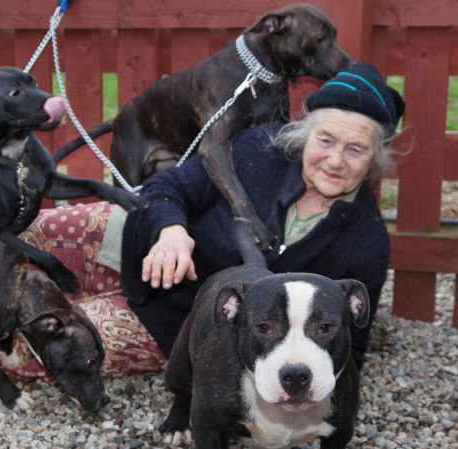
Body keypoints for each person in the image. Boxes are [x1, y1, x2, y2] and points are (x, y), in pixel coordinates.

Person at [120, 62, 406, 370]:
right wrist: (171, 232)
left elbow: (350, 354)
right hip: (140, 239)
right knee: (61, 240)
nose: (335, 160)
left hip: (174, 324)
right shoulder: (260, 150)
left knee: (73, 338)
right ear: (305, 134)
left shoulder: (367, 242)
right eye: (325, 140)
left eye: (355, 149)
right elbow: (167, 186)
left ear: (375, 158)